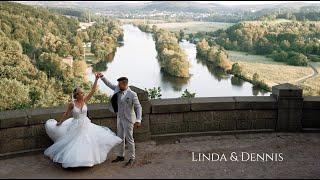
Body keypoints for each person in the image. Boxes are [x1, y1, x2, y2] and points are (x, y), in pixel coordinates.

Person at [44, 73, 122, 168]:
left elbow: (93, 90)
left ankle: (87, 161)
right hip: (75, 126)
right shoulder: (72, 104)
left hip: (86, 124)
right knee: (75, 143)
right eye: (80, 93)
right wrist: (60, 122)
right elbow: (66, 113)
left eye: (82, 92)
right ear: (76, 95)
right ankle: (75, 161)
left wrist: (96, 79)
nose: (82, 94)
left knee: (87, 142)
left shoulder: (85, 100)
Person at [97, 72, 142, 167]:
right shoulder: (117, 89)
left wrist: (138, 120)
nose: (117, 85)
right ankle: (121, 156)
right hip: (119, 118)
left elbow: (138, 107)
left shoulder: (132, 94)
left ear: (124, 84)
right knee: (120, 138)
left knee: (129, 139)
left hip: (129, 120)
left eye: (119, 84)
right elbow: (109, 84)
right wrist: (102, 77)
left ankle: (132, 158)